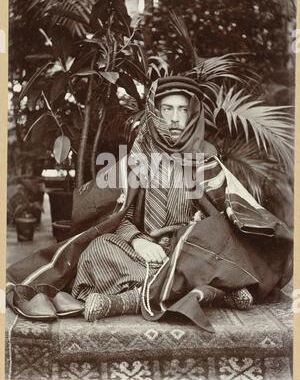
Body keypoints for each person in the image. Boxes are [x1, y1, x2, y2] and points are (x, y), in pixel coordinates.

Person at [70, 76, 293, 330]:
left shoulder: (205, 159)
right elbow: (118, 215)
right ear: (155, 113)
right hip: (143, 255)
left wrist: (198, 228)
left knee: (223, 243)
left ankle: (127, 300)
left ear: (192, 115)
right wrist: (137, 240)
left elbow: (230, 213)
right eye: (167, 109)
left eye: (183, 110)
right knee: (96, 252)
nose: (175, 118)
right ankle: (213, 293)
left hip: (191, 252)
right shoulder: (138, 158)